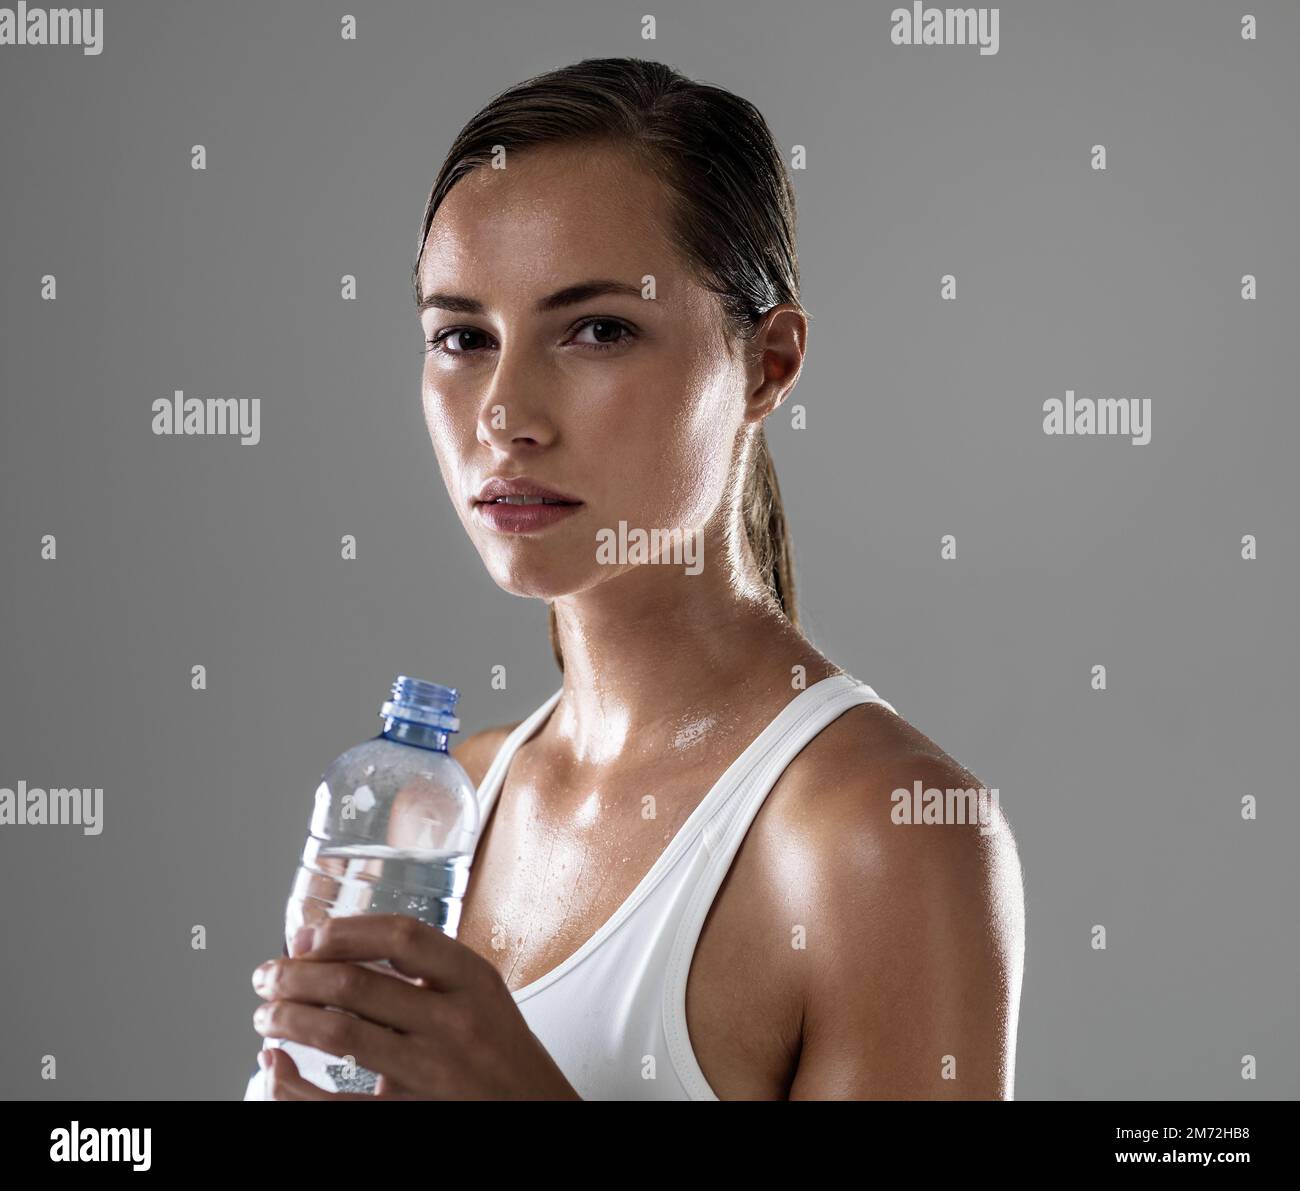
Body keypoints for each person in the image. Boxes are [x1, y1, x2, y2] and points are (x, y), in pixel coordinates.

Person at [245, 56, 1024, 1101]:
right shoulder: (446, 803)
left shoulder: (882, 834)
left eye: (598, 330)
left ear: (767, 362)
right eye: (462, 337)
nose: (505, 414)